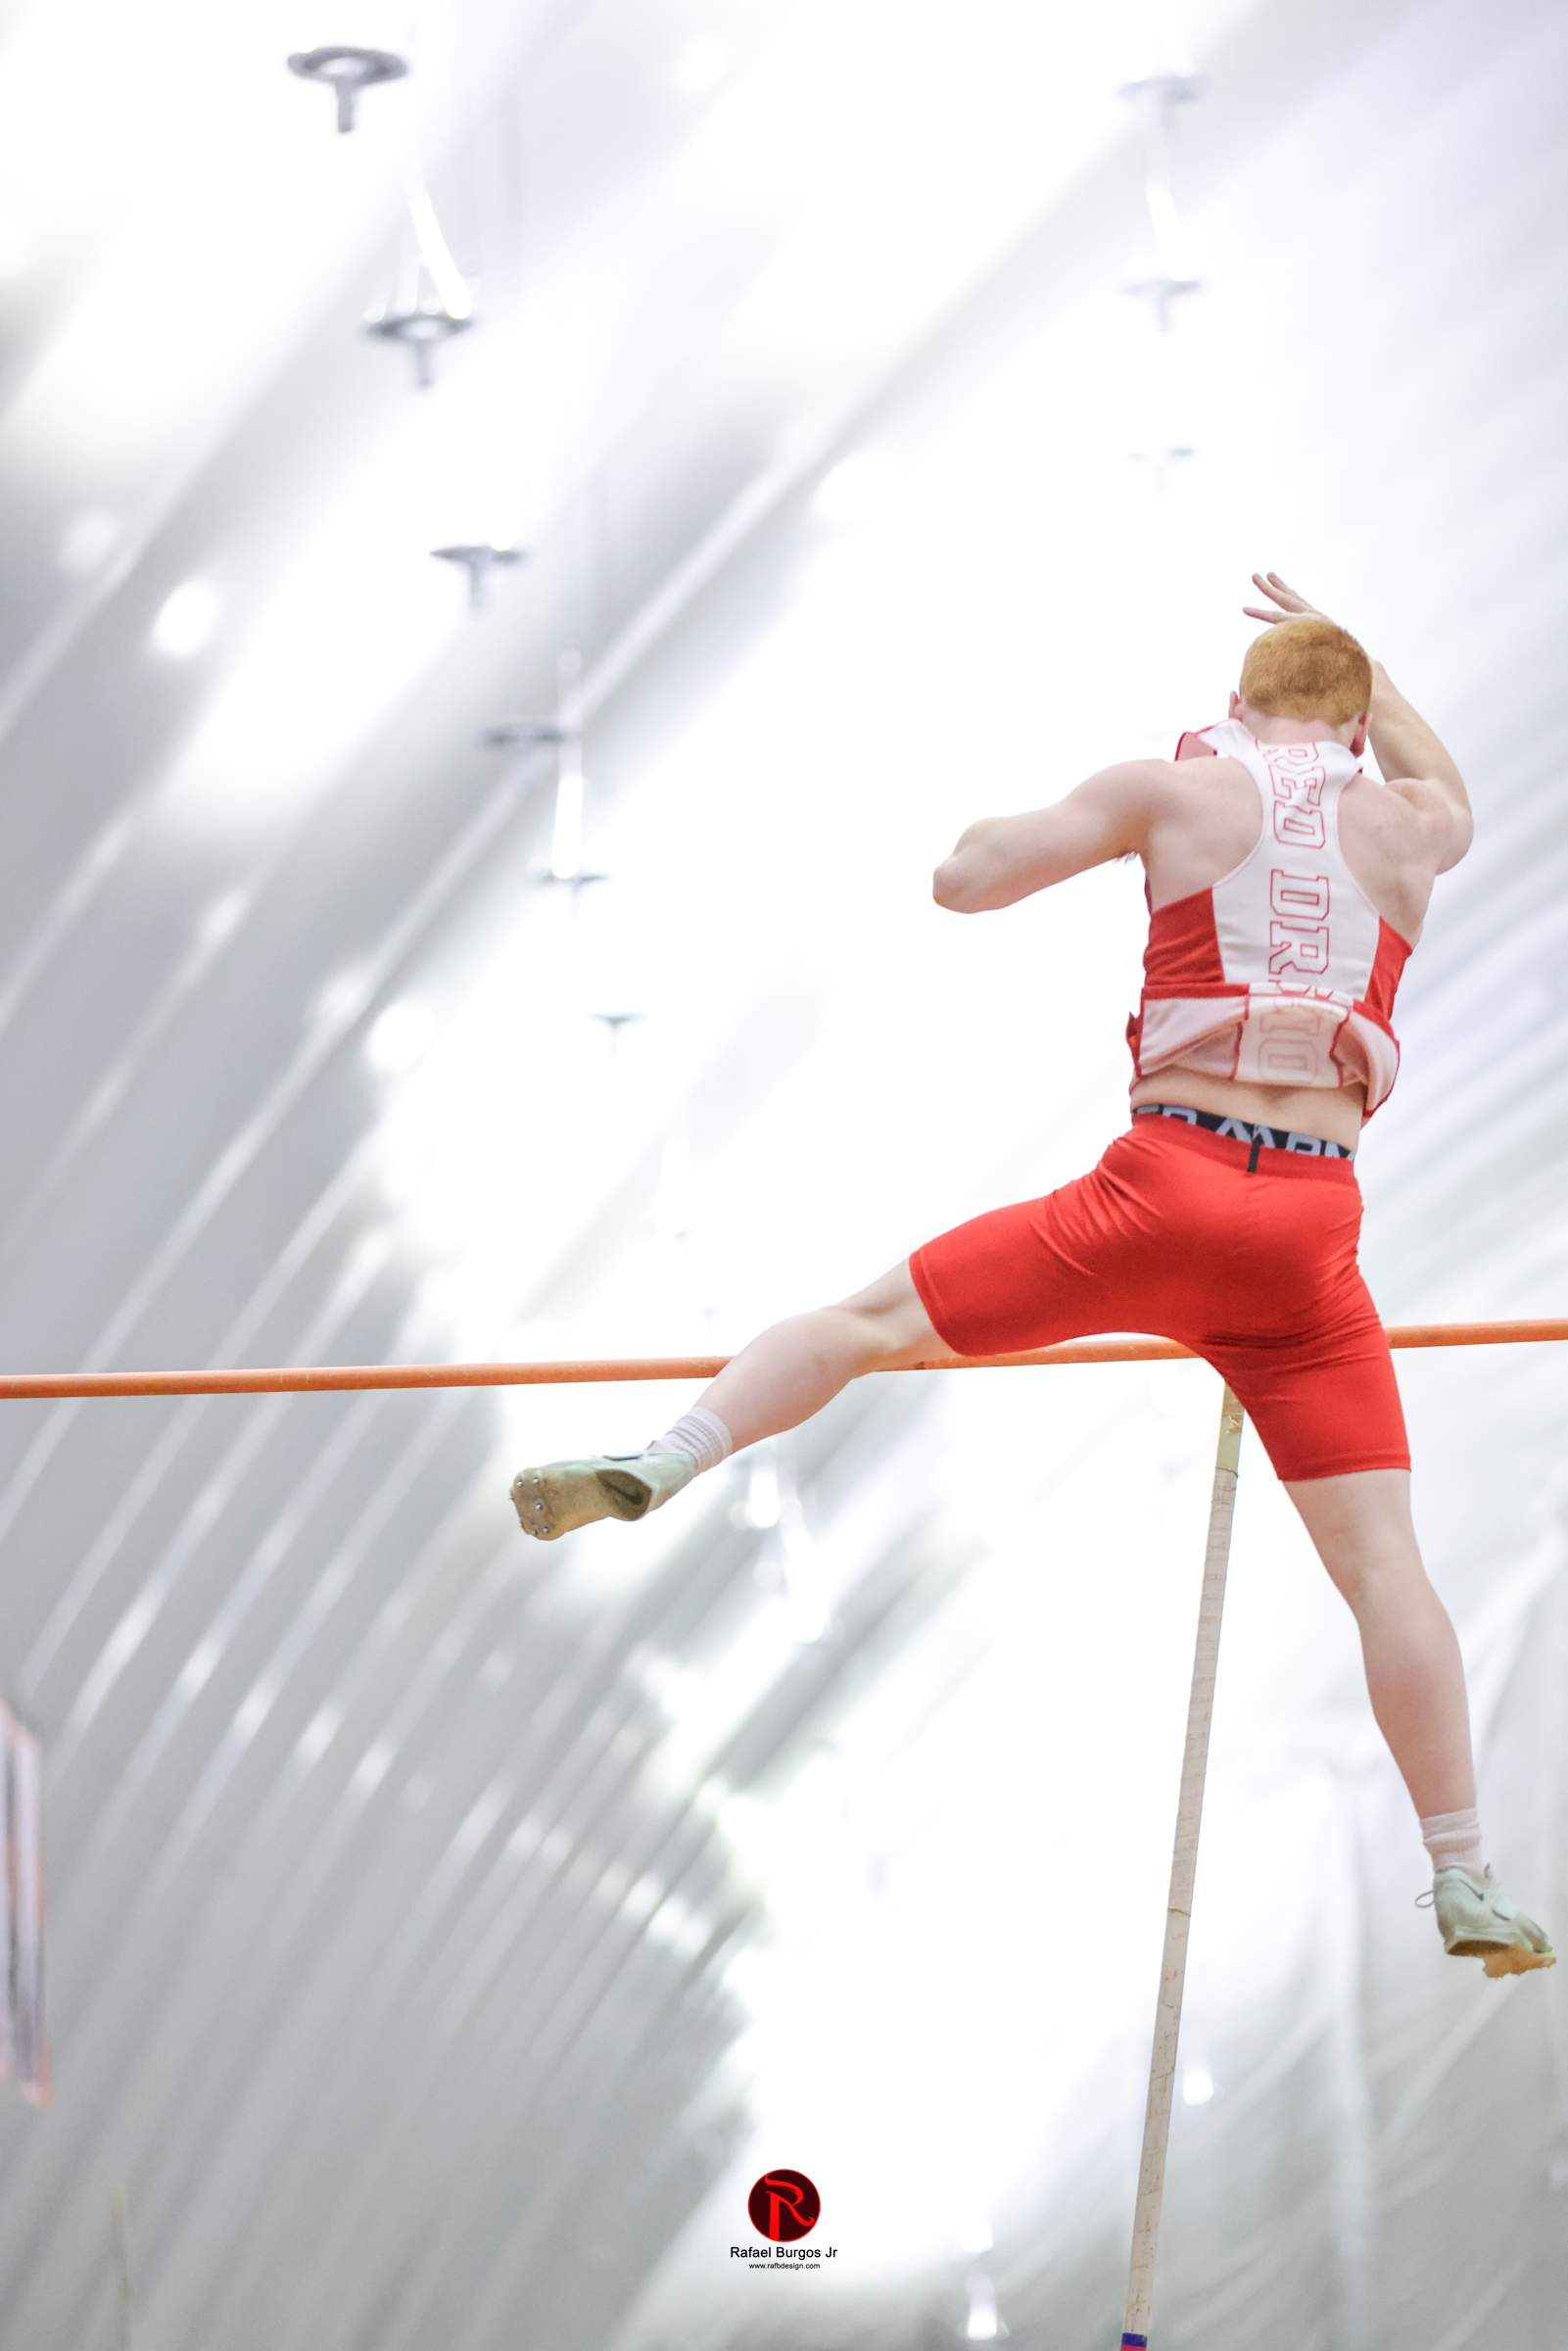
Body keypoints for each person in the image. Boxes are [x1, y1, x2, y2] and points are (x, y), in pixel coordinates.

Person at [510, 573, 1554, 1978]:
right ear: (1362, 726)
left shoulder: (1175, 789)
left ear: (1235, 708)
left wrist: (1082, 808)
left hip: (1160, 1190)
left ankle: (672, 1451)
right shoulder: (1416, 826)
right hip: (1309, 1232)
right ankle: (1461, 1869)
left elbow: (967, 882)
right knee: (1384, 1568)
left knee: (870, 1320)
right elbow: (1440, 775)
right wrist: (1369, 673)